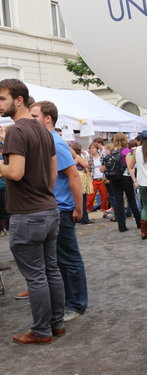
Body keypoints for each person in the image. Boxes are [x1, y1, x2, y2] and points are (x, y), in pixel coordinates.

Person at [0, 78, 65, 344]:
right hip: (48, 209)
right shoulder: (43, 130)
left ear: (18, 100)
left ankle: (41, 331)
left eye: (2, 99)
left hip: (28, 214)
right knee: (51, 270)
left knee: (37, 275)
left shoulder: (17, 131)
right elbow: (51, 174)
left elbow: (15, 172)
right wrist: (43, 194)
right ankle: (57, 324)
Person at [30, 100, 88, 322]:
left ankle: (76, 304)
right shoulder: (45, 141)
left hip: (62, 209)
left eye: (34, 116)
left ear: (47, 118)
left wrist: (78, 207)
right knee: (57, 260)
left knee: (69, 259)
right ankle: (65, 301)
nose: (31, 120)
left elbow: (73, 175)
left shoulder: (56, 142)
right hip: (51, 208)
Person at [105, 132, 142, 233]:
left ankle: (121, 226)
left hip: (114, 178)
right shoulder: (125, 150)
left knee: (118, 202)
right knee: (131, 200)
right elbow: (130, 167)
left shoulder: (112, 151)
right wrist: (134, 179)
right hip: (125, 178)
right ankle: (139, 222)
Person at [86, 142, 109, 213]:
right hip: (93, 179)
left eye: (93, 148)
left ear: (97, 149)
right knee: (90, 197)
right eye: (90, 148)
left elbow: (106, 167)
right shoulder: (88, 158)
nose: (91, 149)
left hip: (102, 179)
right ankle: (88, 210)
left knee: (104, 197)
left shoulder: (102, 156)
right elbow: (88, 169)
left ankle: (104, 210)